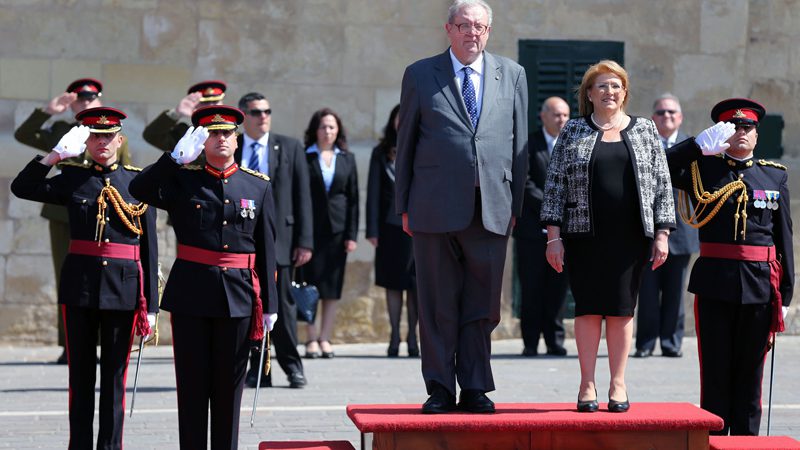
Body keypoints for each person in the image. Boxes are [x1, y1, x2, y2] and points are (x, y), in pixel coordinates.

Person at [395, 0, 528, 414]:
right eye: (465, 25)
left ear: (489, 31)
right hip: (433, 207)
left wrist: (516, 206)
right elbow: (406, 147)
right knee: (436, 303)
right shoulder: (420, 74)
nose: (473, 33)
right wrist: (403, 206)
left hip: (491, 206)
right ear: (448, 29)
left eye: (481, 27)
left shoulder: (513, 73)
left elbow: (520, 145)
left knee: (483, 304)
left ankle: (474, 386)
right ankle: (438, 386)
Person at [129, 105, 279, 450]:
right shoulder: (183, 180)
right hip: (192, 296)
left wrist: (270, 303)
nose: (221, 138)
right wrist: (174, 159)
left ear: (237, 141)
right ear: (201, 140)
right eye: (213, 133)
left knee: (229, 392)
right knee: (193, 390)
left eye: (227, 133)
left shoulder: (258, 187)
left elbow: (267, 248)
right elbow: (139, 188)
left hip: (239, 297)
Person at [11, 107, 158, 449]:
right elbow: (23, 187)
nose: (102, 142)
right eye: (95, 136)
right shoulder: (72, 177)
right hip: (80, 289)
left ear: (119, 140)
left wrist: (150, 304)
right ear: (86, 141)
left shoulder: (138, 183)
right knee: (80, 377)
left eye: (108, 137)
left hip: (122, 290)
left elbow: (149, 249)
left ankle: (109, 446)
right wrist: (56, 155)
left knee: (113, 380)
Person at [541, 60, 675, 413]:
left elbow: (662, 184)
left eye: (615, 86)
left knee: (620, 310)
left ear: (625, 91)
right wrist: (553, 237)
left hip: (630, 237)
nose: (609, 92)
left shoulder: (645, 130)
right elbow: (554, 186)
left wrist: (662, 233)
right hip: (583, 235)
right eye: (601, 86)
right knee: (587, 310)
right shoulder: (573, 131)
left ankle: (618, 382)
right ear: (589, 93)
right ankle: (587, 383)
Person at [666, 98, 793, 435]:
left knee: (751, 374)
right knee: (716, 372)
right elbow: (657, 166)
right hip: (715, 281)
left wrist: (787, 290)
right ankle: (716, 439)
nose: (740, 132)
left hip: (760, 284)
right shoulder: (702, 169)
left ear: (756, 134)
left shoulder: (774, 175)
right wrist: (694, 147)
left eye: (747, 127)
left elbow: (784, 237)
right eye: (733, 127)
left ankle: (748, 441)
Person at [13, 78, 133, 364]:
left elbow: (122, 172)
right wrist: (48, 111)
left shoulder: (116, 138)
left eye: (91, 97)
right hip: (64, 213)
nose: (85, 101)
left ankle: (106, 340)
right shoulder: (59, 131)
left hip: (101, 211)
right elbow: (24, 133)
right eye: (79, 98)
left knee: (106, 273)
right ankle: (70, 342)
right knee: (67, 277)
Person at [237, 92, 313, 389]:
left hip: (280, 240)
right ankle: (258, 371)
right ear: (244, 116)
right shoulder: (235, 144)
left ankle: (292, 366)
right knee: (250, 307)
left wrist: (304, 241)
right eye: (257, 112)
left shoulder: (289, 146)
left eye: (267, 111)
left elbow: (302, 196)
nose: (263, 117)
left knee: (282, 304)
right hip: (242, 239)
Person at [634, 94, 700, 358]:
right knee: (647, 292)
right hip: (648, 231)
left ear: (680, 117)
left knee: (675, 292)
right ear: (653, 117)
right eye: (661, 112)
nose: (667, 116)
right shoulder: (643, 144)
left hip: (682, 230)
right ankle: (646, 343)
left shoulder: (692, 147)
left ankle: (672, 342)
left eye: (672, 112)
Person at [300, 108, 359, 360]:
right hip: (310, 232)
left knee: (332, 288)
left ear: (338, 131)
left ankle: (326, 337)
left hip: (337, 231)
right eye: (323, 127)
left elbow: (354, 199)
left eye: (332, 127)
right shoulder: (304, 156)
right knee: (309, 285)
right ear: (315, 130)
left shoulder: (346, 158)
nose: (327, 132)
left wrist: (351, 234)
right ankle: (311, 337)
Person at [514, 96, 570, 357]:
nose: (562, 120)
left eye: (565, 115)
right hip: (532, 233)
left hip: (565, 232)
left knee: (558, 289)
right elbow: (523, 183)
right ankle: (530, 342)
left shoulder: (572, 145)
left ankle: (555, 340)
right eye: (557, 115)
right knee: (532, 288)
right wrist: (553, 204)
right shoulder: (528, 144)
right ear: (543, 116)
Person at [366, 104, 418, 358]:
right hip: (389, 229)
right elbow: (373, 192)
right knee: (392, 283)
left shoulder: (422, 147)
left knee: (415, 285)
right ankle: (395, 334)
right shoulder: (380, 152)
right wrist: (372, 229)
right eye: (399, 118)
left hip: (417, 229)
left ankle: (413, 337)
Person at [142, 80, 226, 154]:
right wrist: (176, 113)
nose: (211, 106)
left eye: (215, 101)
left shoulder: (233, 136)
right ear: (195, 107)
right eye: (205, 103)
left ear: (222, 104)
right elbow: (152, 135)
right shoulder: (184, 136)